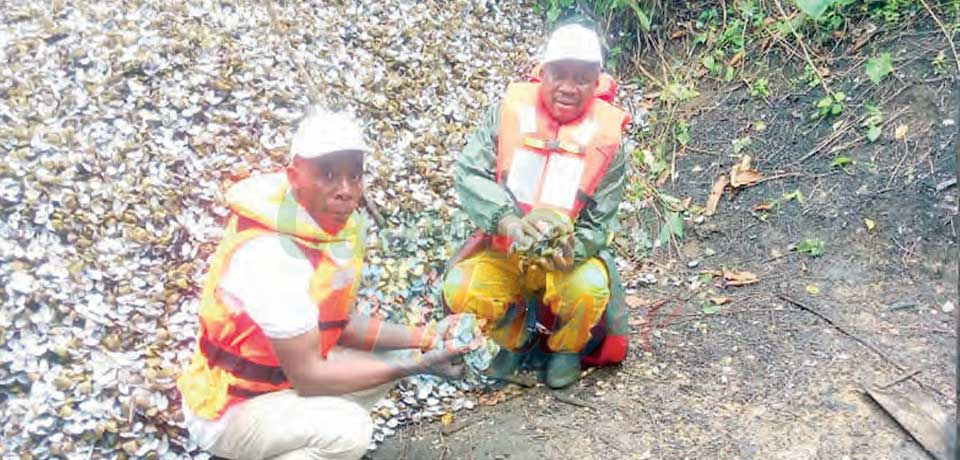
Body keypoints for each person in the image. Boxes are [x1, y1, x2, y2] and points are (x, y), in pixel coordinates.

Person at [177, 109, 478, 460]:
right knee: (350, 431)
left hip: (280, 382)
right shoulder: (272, 254)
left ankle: (300, 436)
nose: (346, 191)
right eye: (329, 174)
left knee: (393, 356)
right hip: (230, 408)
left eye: (355, 175)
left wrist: (429, 337)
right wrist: (418, 364)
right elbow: (309, 376)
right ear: (294, 176)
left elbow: (340, 325)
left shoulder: (320, 228)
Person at [442, 24, 632, 389]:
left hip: (565, 257)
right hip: (505, 245)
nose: (567, 87)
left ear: (597, 83)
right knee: (462, 286)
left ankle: (566, 350)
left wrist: (570, 249)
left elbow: (600, 221)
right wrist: (509, 223)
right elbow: (469, 173)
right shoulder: (505, 114)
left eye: (581, 79)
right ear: (542, 73)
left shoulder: (610, 142)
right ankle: (514, 341)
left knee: (591, 286)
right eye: (559, 74)